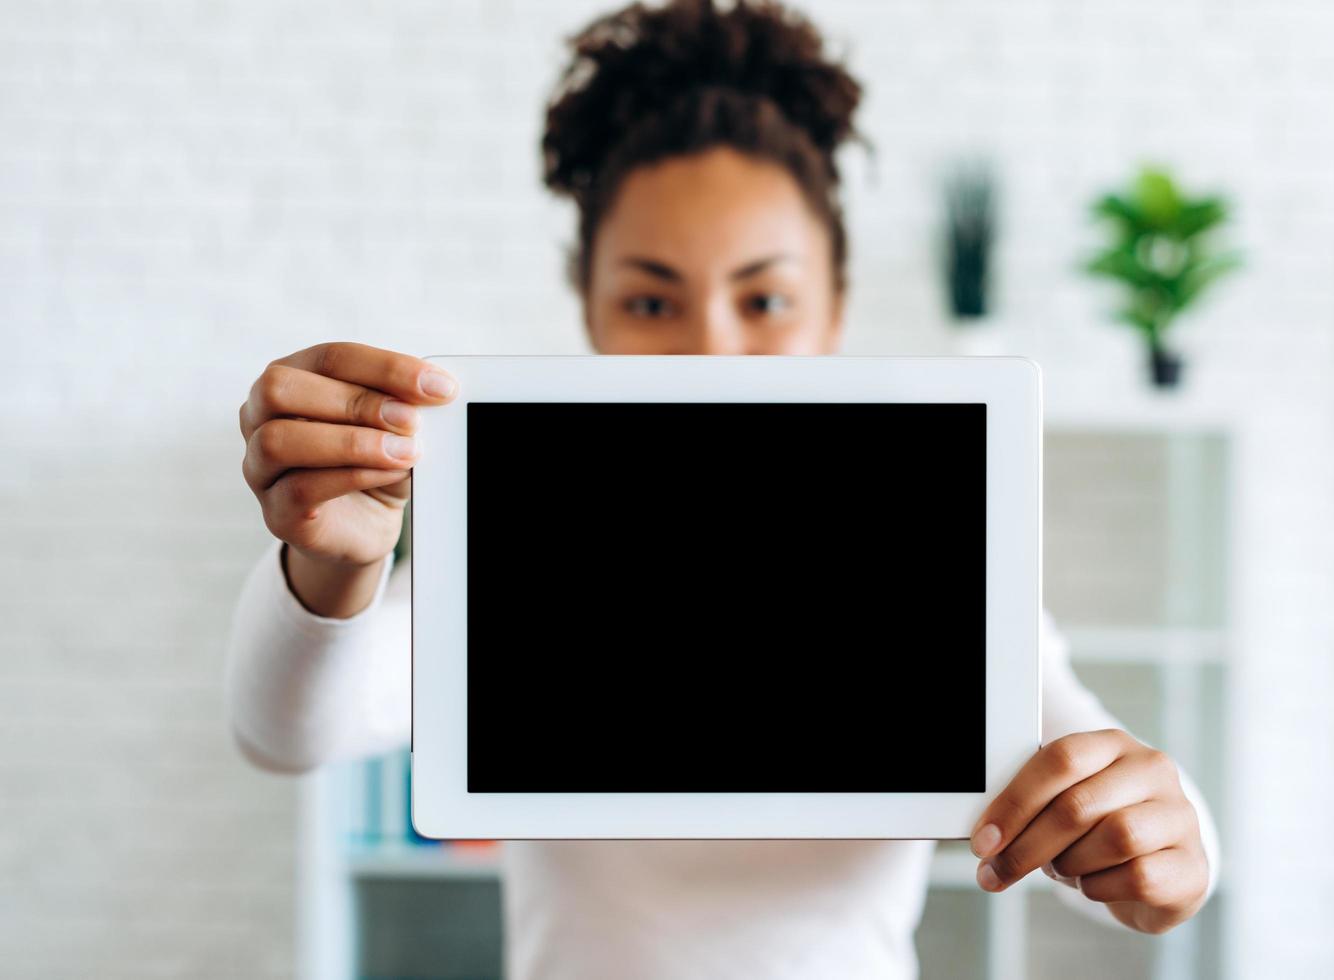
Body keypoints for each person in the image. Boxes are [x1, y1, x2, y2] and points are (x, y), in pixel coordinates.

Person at [225, 0, 1221, 976]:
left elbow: (1124, 796)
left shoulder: (938, 584)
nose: (712, 347)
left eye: (766, 298)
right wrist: (328, 562)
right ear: (590, 311)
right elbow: (287, 731)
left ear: (834, 309)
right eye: (652, 299)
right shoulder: (516, 572)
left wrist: (1163, 839)